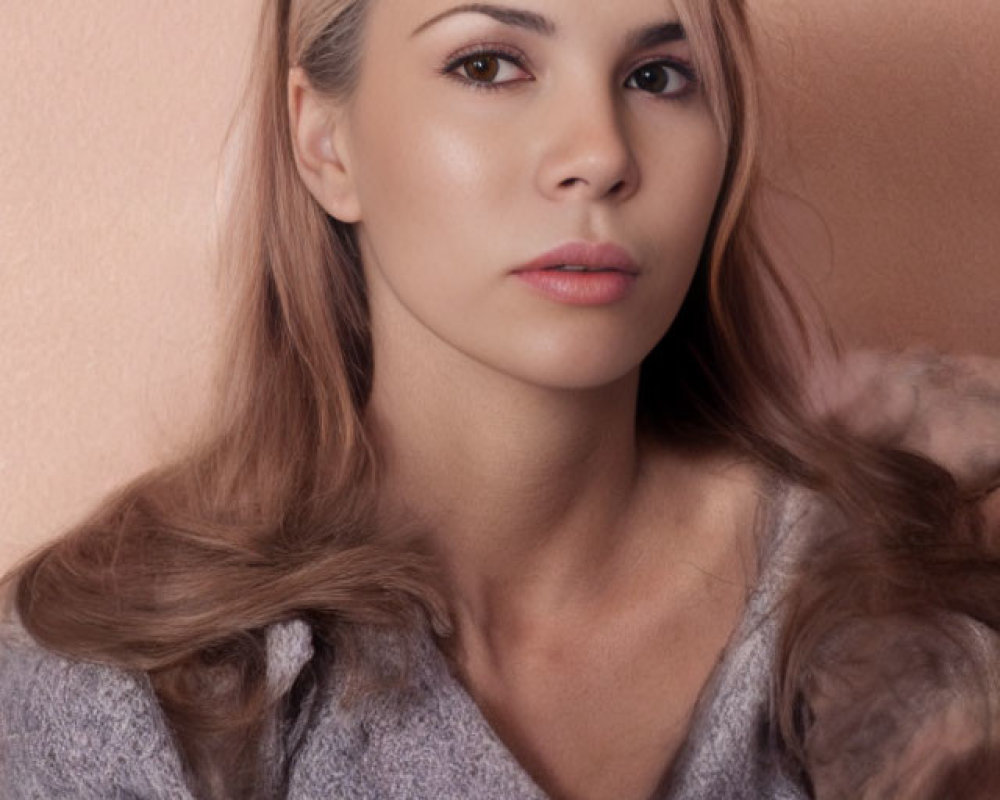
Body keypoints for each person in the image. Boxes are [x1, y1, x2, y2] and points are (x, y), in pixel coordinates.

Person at [1, 0, 998, 798]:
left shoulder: (909, 592)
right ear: (324, 142)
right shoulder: (103, 690)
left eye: (657, 75)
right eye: (488, 64)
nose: (600, 152)